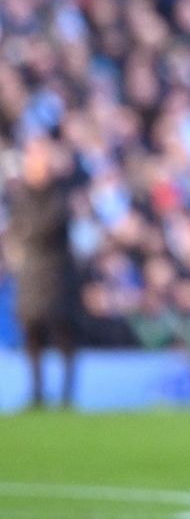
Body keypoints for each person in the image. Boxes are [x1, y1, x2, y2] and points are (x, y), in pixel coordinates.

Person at [4, 137, 82, 410]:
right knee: (32, 332)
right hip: (31, 273)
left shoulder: (60, 191)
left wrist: (26, 235)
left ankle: (66, 396)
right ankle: (37, 394)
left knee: (63, 332)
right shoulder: (21, 194)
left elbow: (44, 226)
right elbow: (19, 227)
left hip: (57, 273)